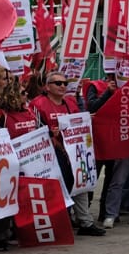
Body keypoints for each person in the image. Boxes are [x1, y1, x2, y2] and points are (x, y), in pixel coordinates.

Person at [31, 72, 104, 236]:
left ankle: (85, 221)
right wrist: (50, 133)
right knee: (59, 188)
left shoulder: (70, 102)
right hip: (53, 153)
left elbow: (77, 122)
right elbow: (33, 131)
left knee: (81, 183)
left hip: (74, 151)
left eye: (65, 83)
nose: (63, 86)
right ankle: (62, 222)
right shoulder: (38, 104)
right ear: (47, 86)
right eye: (58, 83)